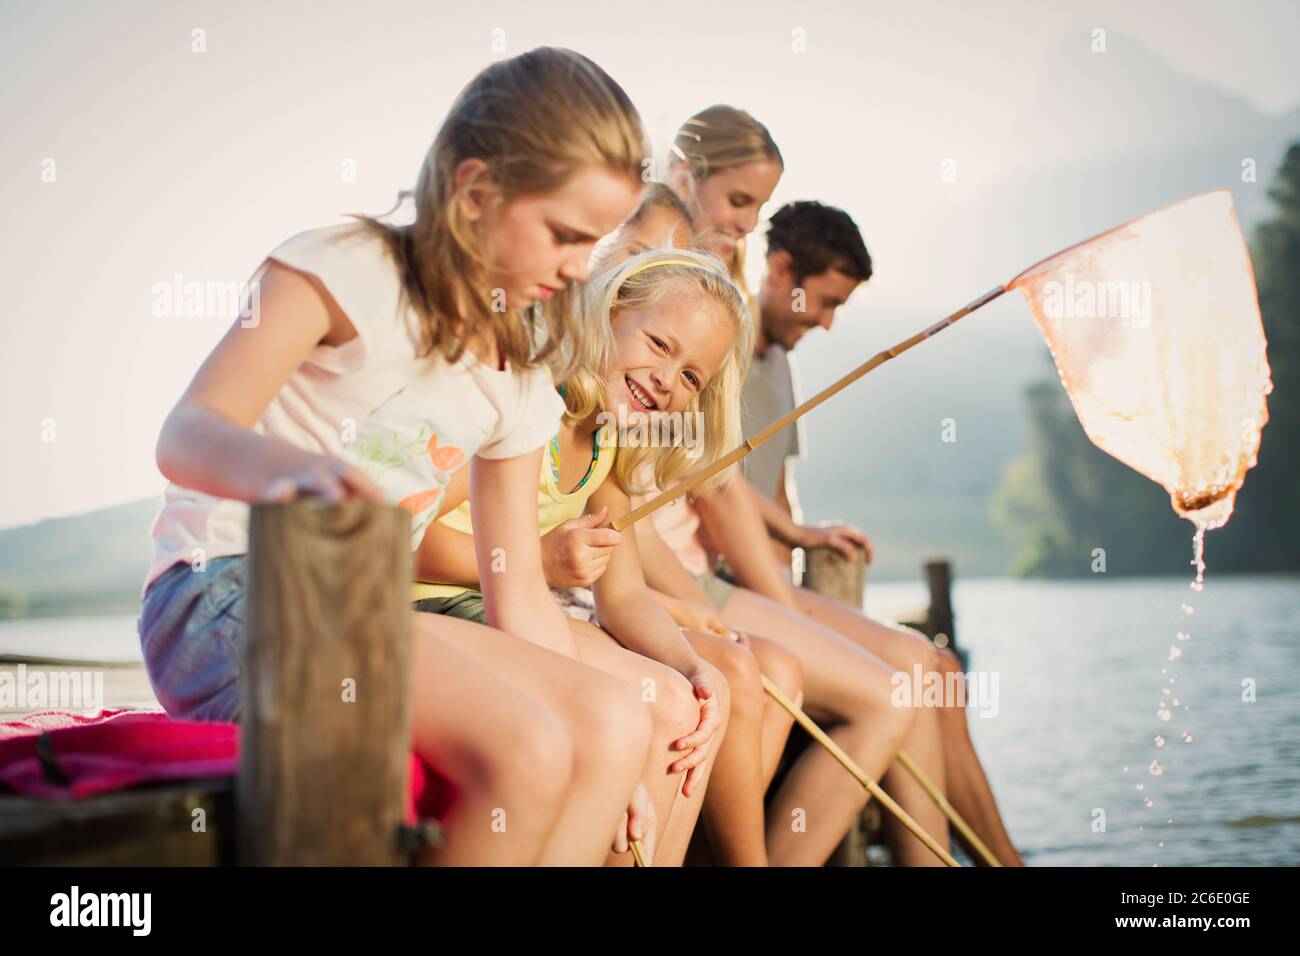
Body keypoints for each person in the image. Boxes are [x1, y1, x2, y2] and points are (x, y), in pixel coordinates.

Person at [139, 48, 661, 866]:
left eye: (592, 244)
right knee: (525, 750)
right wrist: (289, 476)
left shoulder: (518, 374)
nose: (577, 268)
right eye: (564, 234)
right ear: (476, 190)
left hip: (368, 615)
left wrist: (613, 755)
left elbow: (517, 584)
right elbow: (187, 432)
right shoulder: (342, 270)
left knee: (616, 718)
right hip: (231, 591)